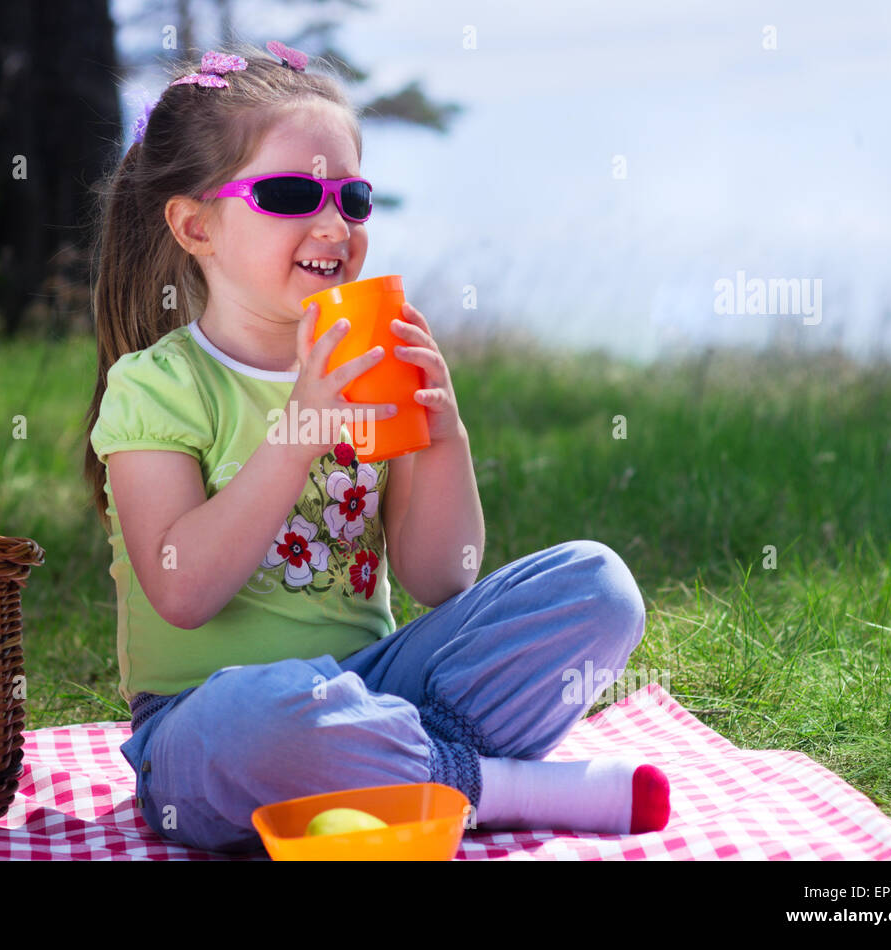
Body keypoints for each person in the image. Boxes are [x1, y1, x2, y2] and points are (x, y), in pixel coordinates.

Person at [82, 40, 670, 853]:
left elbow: (441, 579)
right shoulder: (159, 386)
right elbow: (183, 594)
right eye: (290, 194)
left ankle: (401, 769)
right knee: (265, 715)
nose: (335, 224)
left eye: (352, 198)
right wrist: (300, 429)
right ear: (195, 225)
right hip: (206, 730)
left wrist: (442, 433)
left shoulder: (370, 366)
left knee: (599, 587)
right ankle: (485, 786)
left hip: (379, 690)